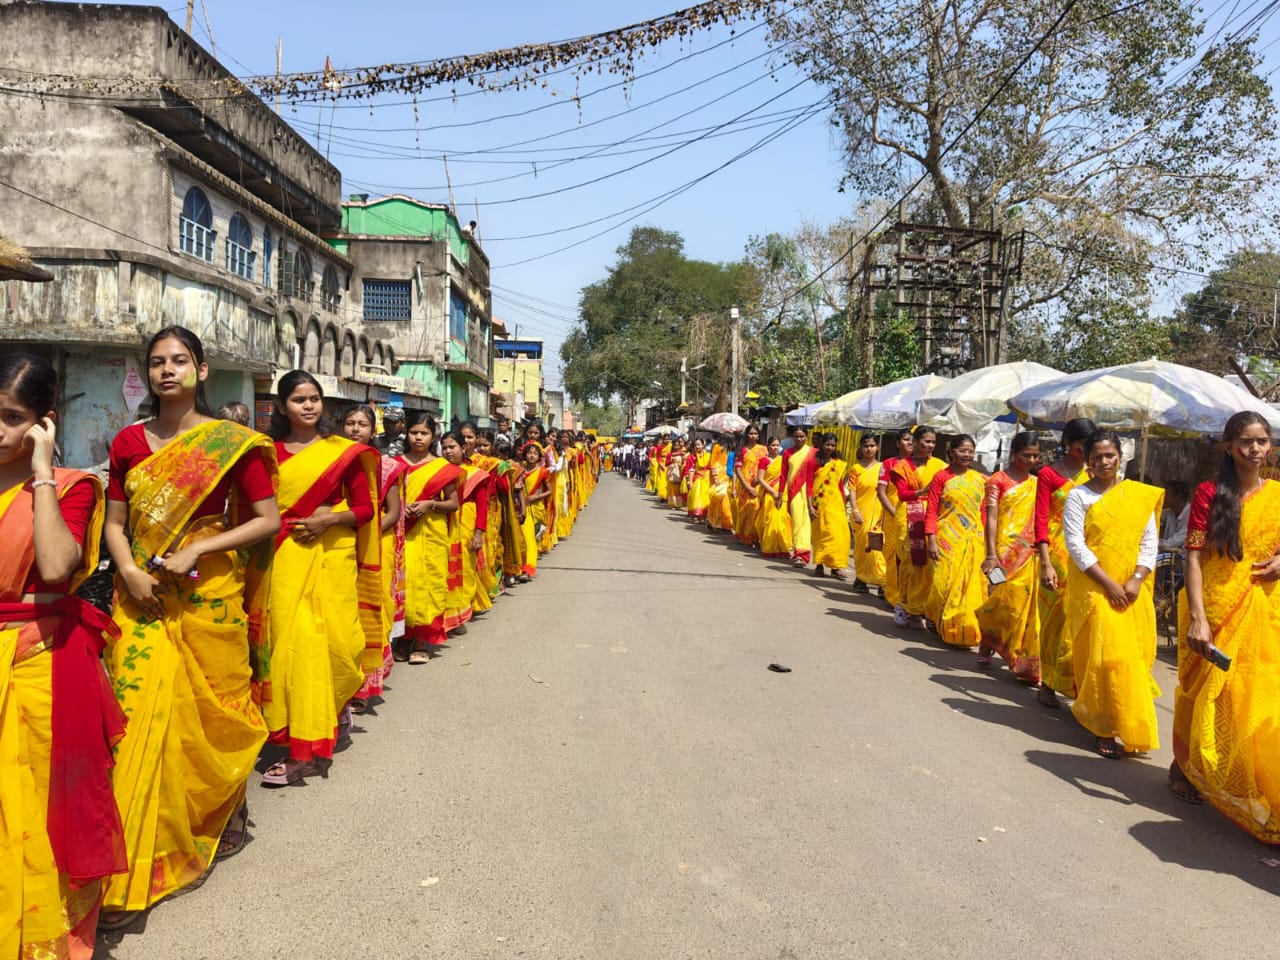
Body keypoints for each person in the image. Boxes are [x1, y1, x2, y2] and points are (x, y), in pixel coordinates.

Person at [101, 326, 280, 923]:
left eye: (179, 360)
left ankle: (223, 808)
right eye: (157, 362)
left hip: (210, 596)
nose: (167, 370)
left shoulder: (231, 444)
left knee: (213, 711)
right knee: (138, 720)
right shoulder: (129, 442)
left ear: (201, 370)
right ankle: (137, 862)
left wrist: (199, 549)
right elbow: (115, 523)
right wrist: (128, 571)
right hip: (143, 597)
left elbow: (266, 520)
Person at [0, 352, 127, 957]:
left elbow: (55, 566)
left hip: (38, 658)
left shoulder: (73, 487)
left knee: (35, 808)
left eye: (11, 417)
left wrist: (42, 472)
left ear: (43, 421)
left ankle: (39, 939)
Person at [261, 371, 381, 786]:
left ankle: (332, 710)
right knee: (292, 648)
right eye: (299, 399)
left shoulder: (342, 453)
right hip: (284, 558)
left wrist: (329, 519)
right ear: (281, 407)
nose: (309, 405)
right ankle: (302, 749)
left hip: (331, 558)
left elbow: (365, 509)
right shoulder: (267, 453)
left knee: (337, 645)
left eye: (314, 398)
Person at [1169, 411, 1280, 840]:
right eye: (1246, 441)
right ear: (1230, 446)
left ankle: (1248, 781)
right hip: (1213, 608)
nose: (1255, 449)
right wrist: (1199, 618)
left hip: (1264, 611)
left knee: (1256, 700)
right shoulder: (1210, 493)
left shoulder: (1276, 495)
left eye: (1262, 441)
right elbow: (1193, 557)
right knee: (1202, 692)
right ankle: (1185, 765)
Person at [1063, 430, 1162, 759]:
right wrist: (1108, 584)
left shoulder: (1137, 496)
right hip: (1095, 589)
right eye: (1097, 457)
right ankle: (1103, 726)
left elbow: (1149, 542)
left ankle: (1126, 720)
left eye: (1110, 456)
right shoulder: (1079, 497)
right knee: (1104, 659)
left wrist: (1136, 578)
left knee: (1130, 660)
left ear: (1120, 457)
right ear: (1087, 461)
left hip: (1132, 591)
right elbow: (1076, 545)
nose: (1104, 462)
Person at [341, 404, 406, 712]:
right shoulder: (331, 461)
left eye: (362, 424)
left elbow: (393, 512)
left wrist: (364, 531)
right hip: (337, 544)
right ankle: (342, 681)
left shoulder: (386, 466)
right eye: (350, 423)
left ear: (372, 431)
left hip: (374, 544)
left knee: (370, 611)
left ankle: (363, 685)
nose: (355, 429)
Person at [1034, 417, 1096, 708]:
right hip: (1057, 554)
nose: (1087, 450)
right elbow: (1040, 519)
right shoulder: (1049, 474)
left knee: (1084, 618)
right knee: (1055, 621)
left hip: (1090, 555)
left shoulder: (1098, 475)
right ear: (1068, 443)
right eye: (1082, 445)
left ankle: (1078, 684)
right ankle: (1048, 681)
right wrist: (1045, 562)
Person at [976, 432, 1043, 680]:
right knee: (999, 599)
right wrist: (991, 553)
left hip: (1028, 550)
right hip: (1003, 549)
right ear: (1014, 454)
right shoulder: (997, 480)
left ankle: (1018, 654)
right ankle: (987, 643)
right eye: (1026, 455)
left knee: (1022, 603)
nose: (1031, 460)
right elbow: (991, 517)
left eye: (1035, 456)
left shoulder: (1036, 483)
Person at [398, 413, 460, 663]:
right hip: (403, 531)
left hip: (431, 532)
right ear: (406, 433)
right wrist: (400, 509)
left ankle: (423, 640)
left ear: (432, 436)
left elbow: (453, 503)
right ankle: (403, 636)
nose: (418, 438)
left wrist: (430, 505)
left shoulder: (443, 468)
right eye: (414, 432)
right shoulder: (395, 464)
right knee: (404, 583)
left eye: (424, 433)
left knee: (429, 584)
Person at [923, 435, 987, 647]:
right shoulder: (941, 477)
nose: (967, 455)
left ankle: (959, 630)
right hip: (946, 540)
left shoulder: (980, 479)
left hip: (973, 540)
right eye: (962, 451)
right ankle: (936, 618)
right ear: (952, 452)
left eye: (970, 451)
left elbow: (984, 513)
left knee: (969, 587)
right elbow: (932, 510)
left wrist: (988, 542)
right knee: (942, 584)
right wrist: (931, 539)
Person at [890, 426, 945, 628]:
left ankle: (924, 608)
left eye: (933, 442)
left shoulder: (940, 466)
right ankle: (905, 604)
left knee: (931, 564)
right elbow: (903, 494)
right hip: (909, 514)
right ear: (915, 442)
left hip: (933, 514)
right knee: (910, 563)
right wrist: (923, 491)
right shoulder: (901, 467)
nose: (930, 445)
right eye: (926, 441)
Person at [877, 432, 914, 611]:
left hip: (915, 516)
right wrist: (896, 513)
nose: (910, 443)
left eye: (912, 440)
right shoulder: (888, 464)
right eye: (906, 440)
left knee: (911, 557)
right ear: (898, 443)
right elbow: (881, 492)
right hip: (892, 517)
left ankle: (909, 596)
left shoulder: (919, 466)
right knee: (893, 556)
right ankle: (893, 595)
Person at [810, 432, 852, 581]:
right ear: (822, 444)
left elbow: (840, 485)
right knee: (821, 534)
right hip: (819, 503)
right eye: (827, 444)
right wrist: (810, 505)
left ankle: (836, 567)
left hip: (836, 503)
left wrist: (844, 501)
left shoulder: (839, 463)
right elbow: (809, 484)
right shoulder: (815, 461)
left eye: (833, 445)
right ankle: (819, 564)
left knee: (839, 534)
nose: (830, 447)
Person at [849, 433, 886, 592]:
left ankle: (882, 581)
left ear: (877, 447)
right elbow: (852, 491)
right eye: (866, 446)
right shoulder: (856, 469)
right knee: (861, 547)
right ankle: (861, 577)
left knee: (877, 547)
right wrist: (855, 510)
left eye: (872, 446)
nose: (869, 449)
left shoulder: (883, 468)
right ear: (861, 448)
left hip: (878, 514)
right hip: (860, 513)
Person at [781, 425, 817, 565]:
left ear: (807, 437)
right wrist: (780, 494)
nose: (799, 439)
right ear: (792, 437)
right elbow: (783, 475)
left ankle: (803, 554)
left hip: (811, 491)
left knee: (806, 523)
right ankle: (799, 553)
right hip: (793, 491)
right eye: (796, 436)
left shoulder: (813, 452)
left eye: (802, 436)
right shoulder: (787, 453)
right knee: (797, 522)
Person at [756, 437, 793, 559]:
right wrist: (773, 491)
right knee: (770, 520)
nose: (775, 447)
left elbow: (787, 476)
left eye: (777, 445)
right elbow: (760, 479)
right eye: (772, 445)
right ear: (768, 446)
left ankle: (783, 548)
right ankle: (770, 547)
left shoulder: (783, 460)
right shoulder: (764, 461)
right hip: (769, 494)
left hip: (783, 493)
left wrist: (782, 492)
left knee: (783, 521)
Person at [519, 440, 551, 575]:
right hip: (523, 508)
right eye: (529, 453)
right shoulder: (519, 471)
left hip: (536, 508)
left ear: (539, 456)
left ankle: (528, 568)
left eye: (535, 453)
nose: (532, 456)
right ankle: (524, 567)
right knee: (525, 538)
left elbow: (549, 491)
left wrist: (536, 497)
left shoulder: (542, 472)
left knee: (534, 537)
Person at [733, 425, 766, 547]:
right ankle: (745, 536)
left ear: (758, 435)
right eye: (751, 433)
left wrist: (760, 480)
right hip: (744, 485)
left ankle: (756, 538)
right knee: (746, 511)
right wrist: (747, 487)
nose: (753, 436)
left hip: (760, 483)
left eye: (755, 434)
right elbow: (737, 470)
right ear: (746, 435)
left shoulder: (763, 449)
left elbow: (768, 466)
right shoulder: (742, 450)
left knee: (757, 510)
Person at [684, 437, 712, 523]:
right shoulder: (691, 457)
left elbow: (710, 467)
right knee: (696, 497)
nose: (697, 446)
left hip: (706, 480)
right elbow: (689, 470)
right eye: (695, 445)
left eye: (699, 444)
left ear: (703, 445)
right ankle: (695, 516)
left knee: (705, 498)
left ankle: (703, 516)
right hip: (696, 480)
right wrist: (689, 482)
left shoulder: (708, 456)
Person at [1159, 479, 1191, 552]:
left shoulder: (1191, 515)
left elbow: (1175, 542)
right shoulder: (1170, 512)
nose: (1163, 497)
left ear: (1178, 495)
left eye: (1166, 494)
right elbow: (1154, 516)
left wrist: (1153, 542)